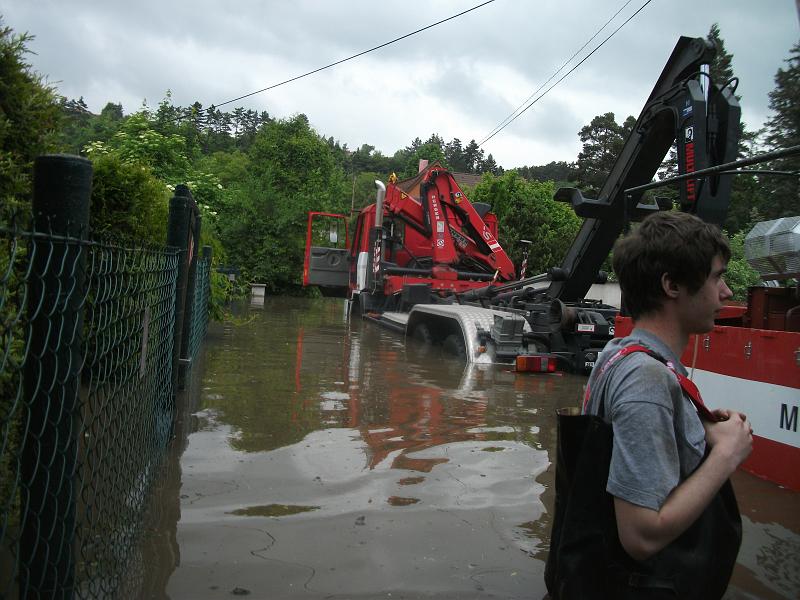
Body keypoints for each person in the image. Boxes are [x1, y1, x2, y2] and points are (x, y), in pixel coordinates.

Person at [582, 210, 753, 596]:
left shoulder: (617, 352)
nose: (726, 293)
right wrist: (726, 453)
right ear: (672, 284)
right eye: (716, 277)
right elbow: (641, 536)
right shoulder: (648, 380)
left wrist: (702, 427)